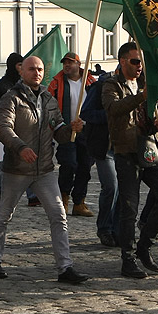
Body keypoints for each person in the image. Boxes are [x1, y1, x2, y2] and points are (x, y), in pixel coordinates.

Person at [0, 55, 89, 284]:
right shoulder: (10, 98)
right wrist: (20, 147)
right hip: (17, 169)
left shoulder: (48, 99)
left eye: (40, 69)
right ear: (21, 71)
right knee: (4, 216)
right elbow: (3, 128)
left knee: (59, 215)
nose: (37, 73)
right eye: (32, 69)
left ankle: (65, 267)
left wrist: (73, 129)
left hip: (44, 169)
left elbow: (60, 132)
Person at [103, 42, 158, 279]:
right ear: (123, 61)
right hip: (127, 152)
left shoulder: (147, 83)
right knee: (129, 208)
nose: (139, 67)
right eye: (135, 62)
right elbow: (114, 108)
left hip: (152, 149)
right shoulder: (111, 84)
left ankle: (145, 245)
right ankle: (128, 257)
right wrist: (140, 97)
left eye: (141, 63)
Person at [47, 52, 97, 217]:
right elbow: (49, 105)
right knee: (68, 164)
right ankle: (63, 198)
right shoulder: (57, 83)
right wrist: (58, 126)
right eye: (65, 63)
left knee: (85, 166)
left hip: (86, 129)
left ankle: (79, 202)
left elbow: (98, 102)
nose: (67, 66)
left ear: (78, 64)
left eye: (70, 63)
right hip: (66, 130)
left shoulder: (90, 82)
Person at [80, 68, 119, 247]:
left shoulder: (137, 87)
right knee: (111, 186)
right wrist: (111, 114)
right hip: (105, 146)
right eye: (134, 62)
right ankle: (104, 228)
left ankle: (119, 229)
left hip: (127, 146)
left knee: (124, 190)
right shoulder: (100, 86)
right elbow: (86, 113)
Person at [0, 52, 24, 204]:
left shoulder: (19, 84)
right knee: (2, 161)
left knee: (24, 158)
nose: (22, 68)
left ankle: (32, 194)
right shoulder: (3, 85)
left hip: (19, 127)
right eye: (19, 65)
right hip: (5, 127)